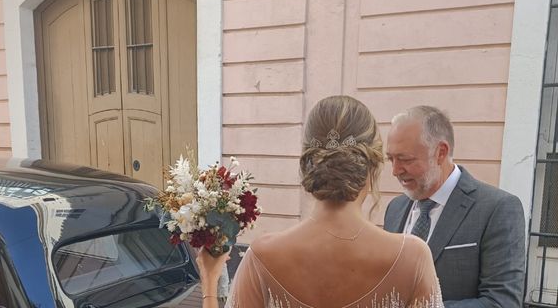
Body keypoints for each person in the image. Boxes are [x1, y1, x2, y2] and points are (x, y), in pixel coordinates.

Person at [197, 95, 444, 308]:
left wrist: (210, 283)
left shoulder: (262, 256)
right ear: (373, 166)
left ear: (308, 165)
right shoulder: (412, 258)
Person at [383, 106, 525, 308]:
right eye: (391, 159)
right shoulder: (395, 209)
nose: (395, 171)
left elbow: (503, 302)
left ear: (441, 152)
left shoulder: (498, 209)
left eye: (405, 159)